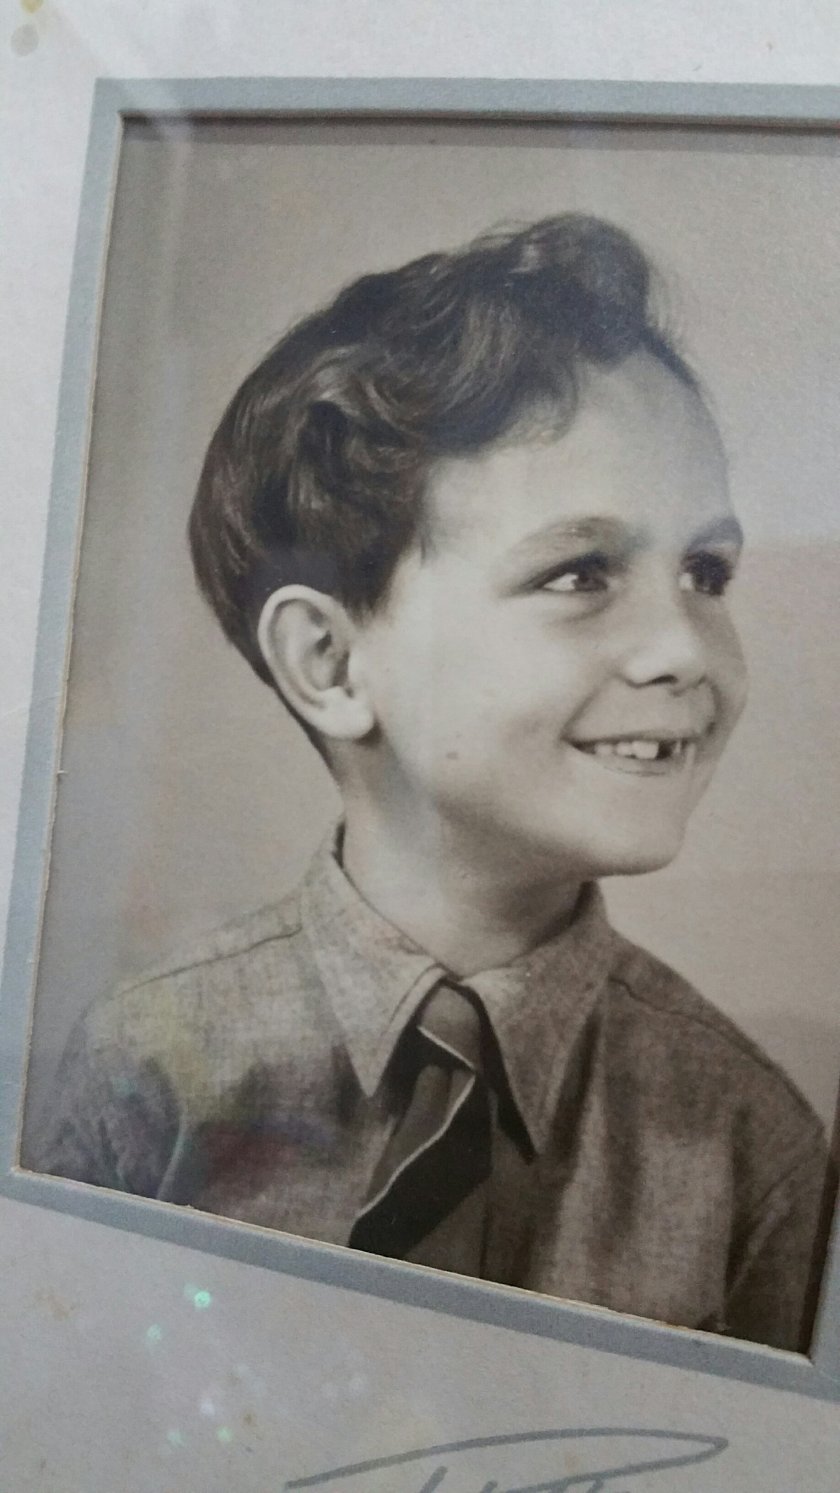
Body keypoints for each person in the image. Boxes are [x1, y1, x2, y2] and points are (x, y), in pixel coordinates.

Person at [37, 215, 832, 1350]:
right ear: (329, 662)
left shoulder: (752, 1143)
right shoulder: (153, 1068)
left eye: (706, 570)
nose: (685, 648)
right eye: (582, 572)